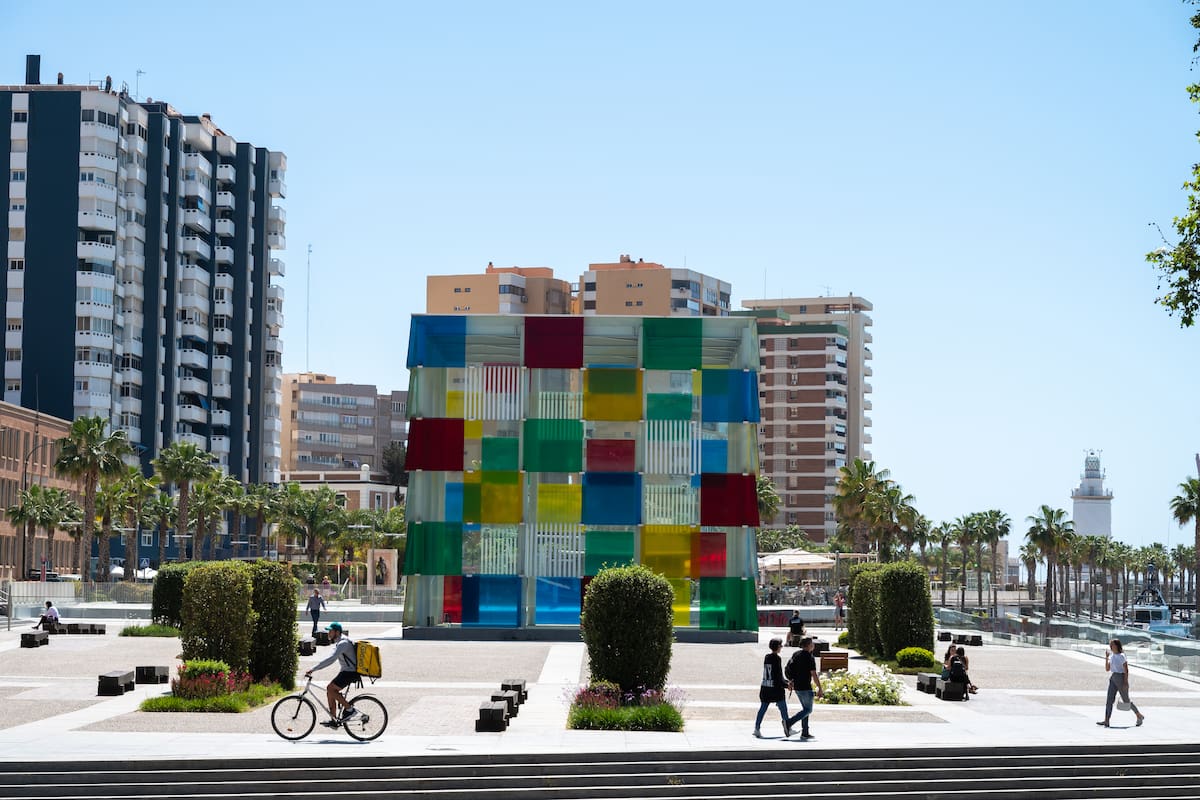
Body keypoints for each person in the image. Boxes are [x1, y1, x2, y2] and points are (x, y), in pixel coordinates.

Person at [304, 622, 360, 728]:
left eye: (330, 631)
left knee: (330, 689)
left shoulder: (343, 643)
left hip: (350, 672)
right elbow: (330, 657)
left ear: (337, 632)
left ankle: (350, 709)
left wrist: (313, 669)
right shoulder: (340, 641)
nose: (328, 633)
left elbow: (331, 659)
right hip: (346, 671)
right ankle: (334, 719)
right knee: (330, 690)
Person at [1098, 638, 1144, 728]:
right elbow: (1107, 669)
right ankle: (1106, 720)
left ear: (1117, 646)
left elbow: (1126, 669)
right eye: (1110, 645)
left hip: (1120, 677)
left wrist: (1125, 681)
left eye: (1112, 645)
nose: (1111, 647)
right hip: (1113, 677)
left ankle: (1139, 715)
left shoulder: (1121, 656)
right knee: (1109, 700)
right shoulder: (1112, 656)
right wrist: (1106, 658)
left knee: (1126, 700)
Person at [785, 637, 823, 739]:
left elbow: (789, 668)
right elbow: (814, 674)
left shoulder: (796, 654)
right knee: (808, 710)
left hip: (797, 686)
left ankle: (805, 732)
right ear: (809, 645)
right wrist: (819, 687)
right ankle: (788, 723)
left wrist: (790, 681)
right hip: (805, 687)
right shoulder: (810, 657)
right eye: (812, 644)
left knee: (805, 709)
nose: (813, 645)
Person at [753, 638, 792, 738]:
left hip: (765, 686)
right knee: (783, 708)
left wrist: (785, 682)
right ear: (778, 647)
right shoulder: (777, 659)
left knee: (763, 708)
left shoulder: (767, 657)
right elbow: (778, 676)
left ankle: (757, 728)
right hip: (775, 689)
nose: (781, 647)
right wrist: (786, 685)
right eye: (780, 645)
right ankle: (788, 727)